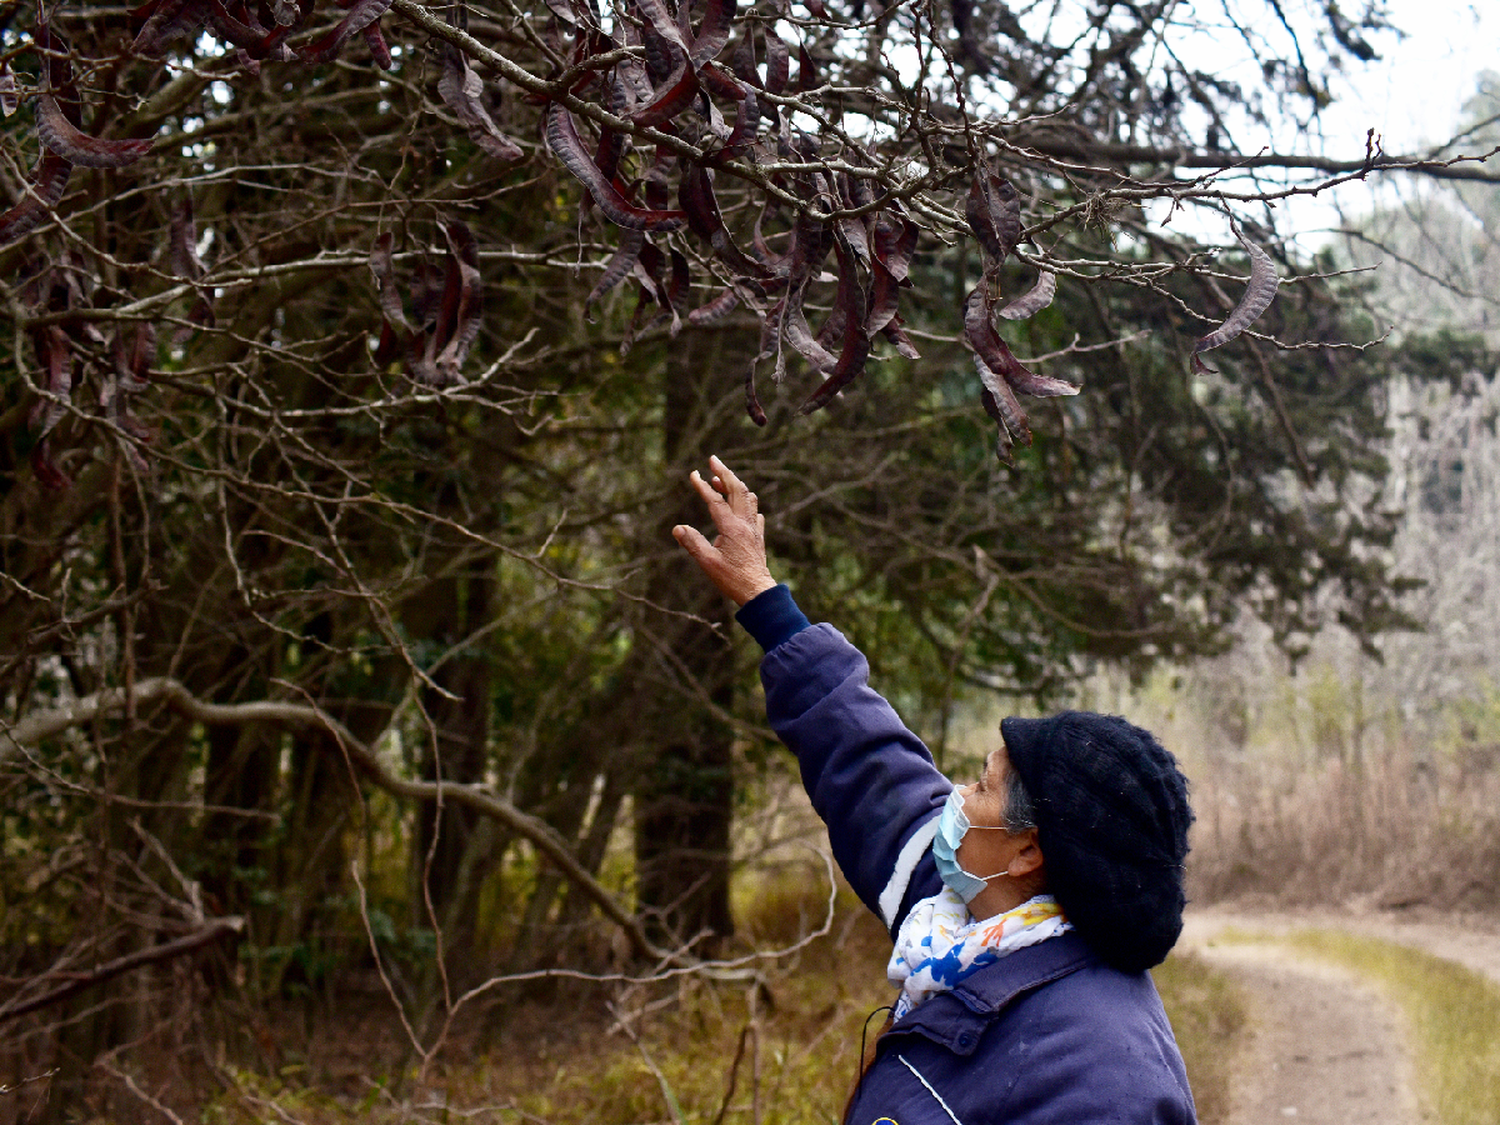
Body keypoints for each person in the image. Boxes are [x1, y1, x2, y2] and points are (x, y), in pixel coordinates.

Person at [672, 456, 1198, 1125]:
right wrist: (763, 599)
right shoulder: (966, 921)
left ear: (1027, 851)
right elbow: (872, 767)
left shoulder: (1104, 1076)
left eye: (983, 784)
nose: (954, 793)